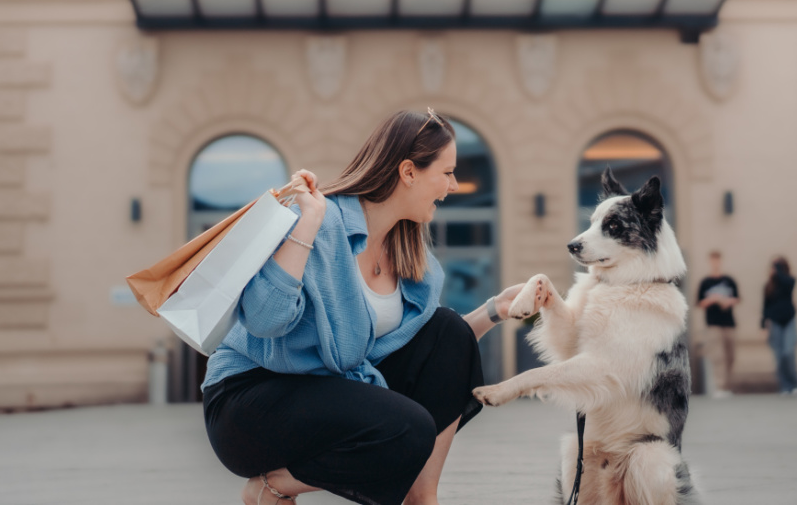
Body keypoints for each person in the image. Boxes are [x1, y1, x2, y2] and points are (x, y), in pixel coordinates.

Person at [201, 109, 545, 505]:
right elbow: (264, 320)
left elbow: (418, 354)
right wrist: (307, 226)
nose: (452, 185)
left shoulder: (414, 261)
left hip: (327, 392)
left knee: (449, 331)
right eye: (447, 173)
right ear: (409, 172)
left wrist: (496, 310)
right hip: (248, 403)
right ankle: (272, 487)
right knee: (408, 428)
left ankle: (422, 498)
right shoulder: (318, 218)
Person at [696, 251, 740, 397]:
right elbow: (700, 303)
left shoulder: (729, 280)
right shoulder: (705, 282)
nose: (715, 263)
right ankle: (720, 387)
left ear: (720, 261)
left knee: (730, 356)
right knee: (718, 356)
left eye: (717, 260)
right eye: (713, 260)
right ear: (710, 262)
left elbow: (737, 298)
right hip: (713, 324)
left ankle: (728, 387)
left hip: (729, 323)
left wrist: (727, 301)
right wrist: (713, 299)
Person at [761, 256, 797, 395]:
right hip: (775, 323)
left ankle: (794, 385)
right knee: (779, 356)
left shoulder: (789, 281)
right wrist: (763, 327)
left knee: (789, 352)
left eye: (776, 267)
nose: (773, 270)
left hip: (789, 321)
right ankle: (785, 386)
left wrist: (778, 269)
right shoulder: (768, 286)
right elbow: (765, 307)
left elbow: (786, 282)